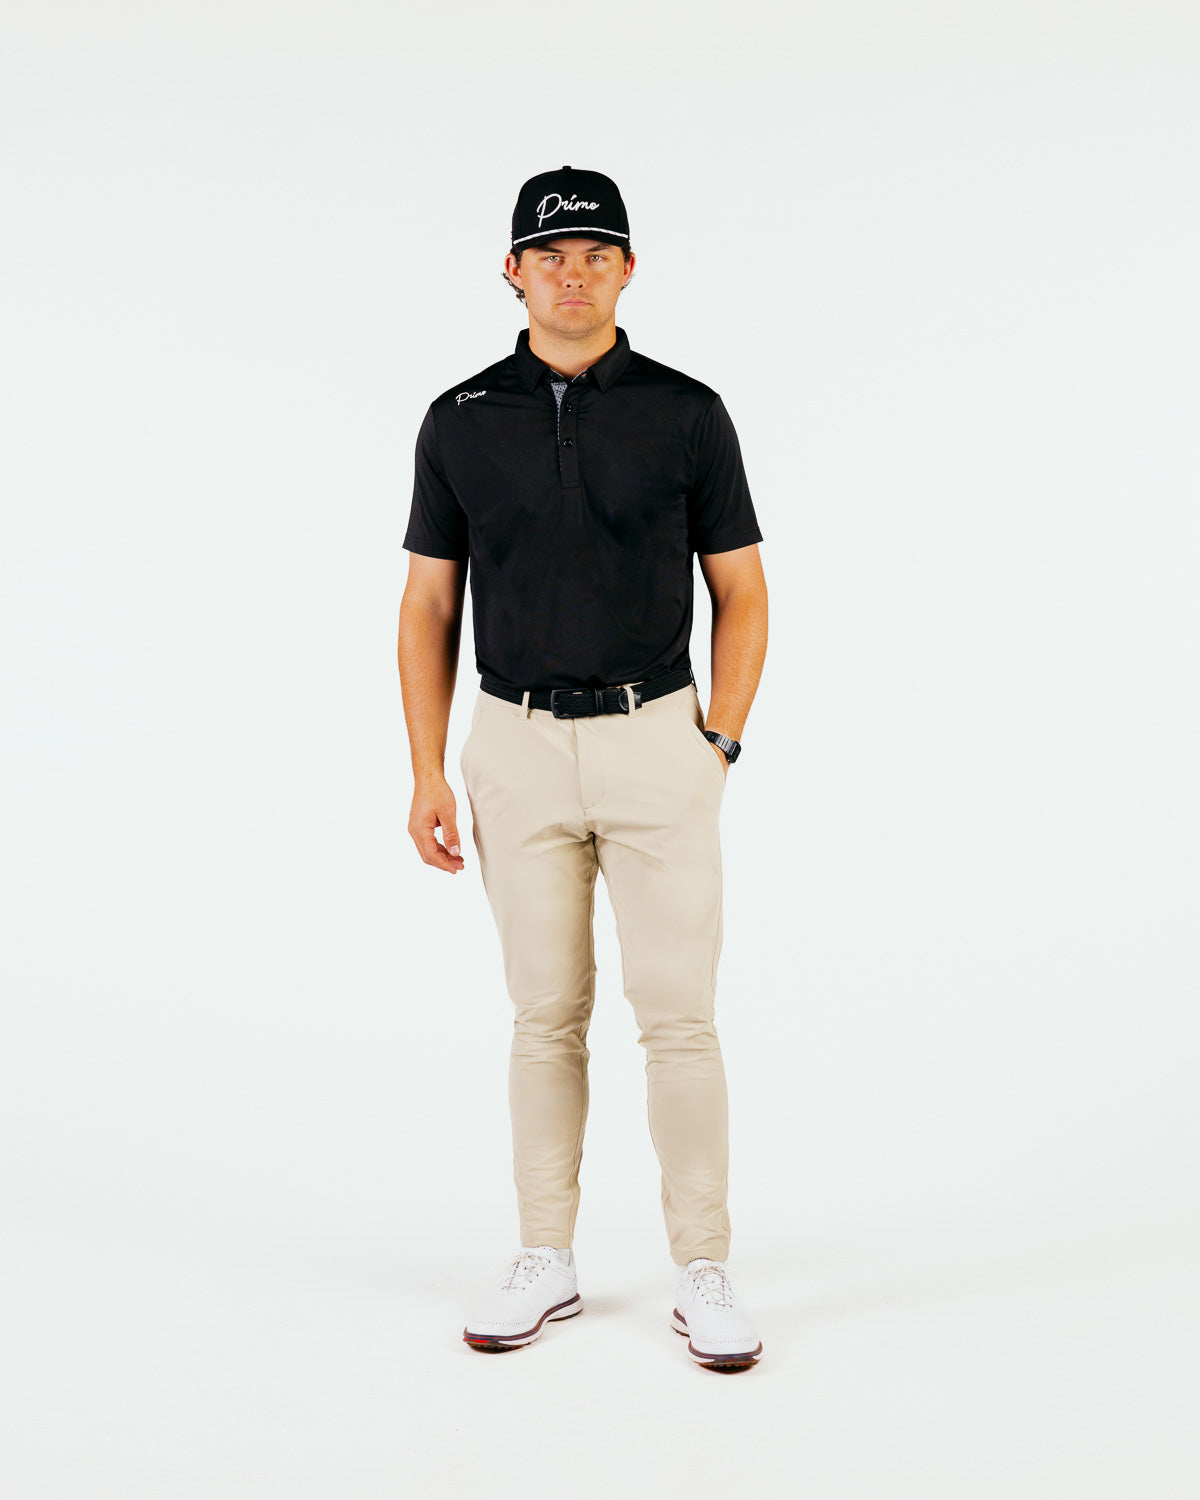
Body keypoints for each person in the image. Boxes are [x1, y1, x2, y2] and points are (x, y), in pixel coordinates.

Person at [397, 165, 769, 1371]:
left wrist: (718, 739)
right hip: (513, 744)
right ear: (512, 270)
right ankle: (545, 1257)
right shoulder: (460, 419)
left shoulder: (686, 412)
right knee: (544, 1015)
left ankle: (703, 1267)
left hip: (657, 737)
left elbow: (743, 590)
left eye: (597, 253)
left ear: (628, 269)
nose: (574, 273)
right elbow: (428, 605)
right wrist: (428, 771)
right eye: (551, 255)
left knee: (679, 1017)